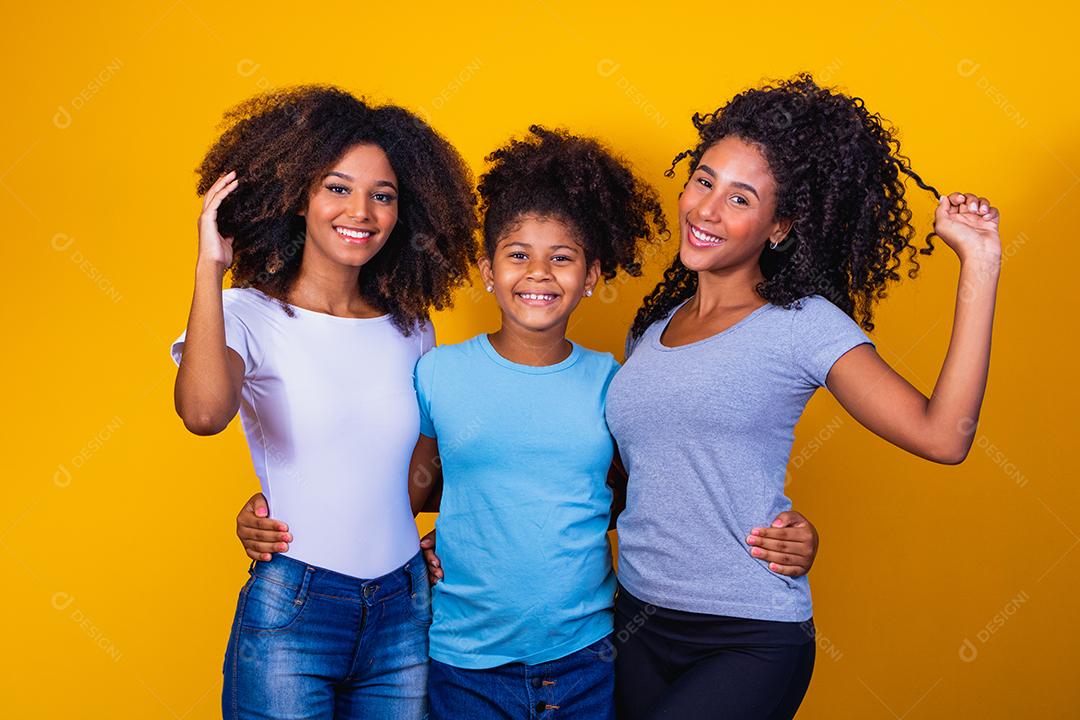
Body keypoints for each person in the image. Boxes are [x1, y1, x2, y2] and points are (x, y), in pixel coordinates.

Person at [606, 74, 1001, 719]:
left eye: (741, 198)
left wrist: (979, 264)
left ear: (779, 226)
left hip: (747, 635)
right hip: (636, 621)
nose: (707, 211)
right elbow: (640, 479)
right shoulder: (650, 332)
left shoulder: (803, 324)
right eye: (704, 181)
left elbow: (943, 435)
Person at [171, 85, 478, 720]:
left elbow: (417, 472)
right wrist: (209, 268)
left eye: (383, 195)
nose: (361, 211)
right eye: (337, 188)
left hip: (405, 608)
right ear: (298, 197)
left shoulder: (413, 327)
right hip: (296, 608)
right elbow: (202, 414)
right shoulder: (246, 314)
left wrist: (431, 534)